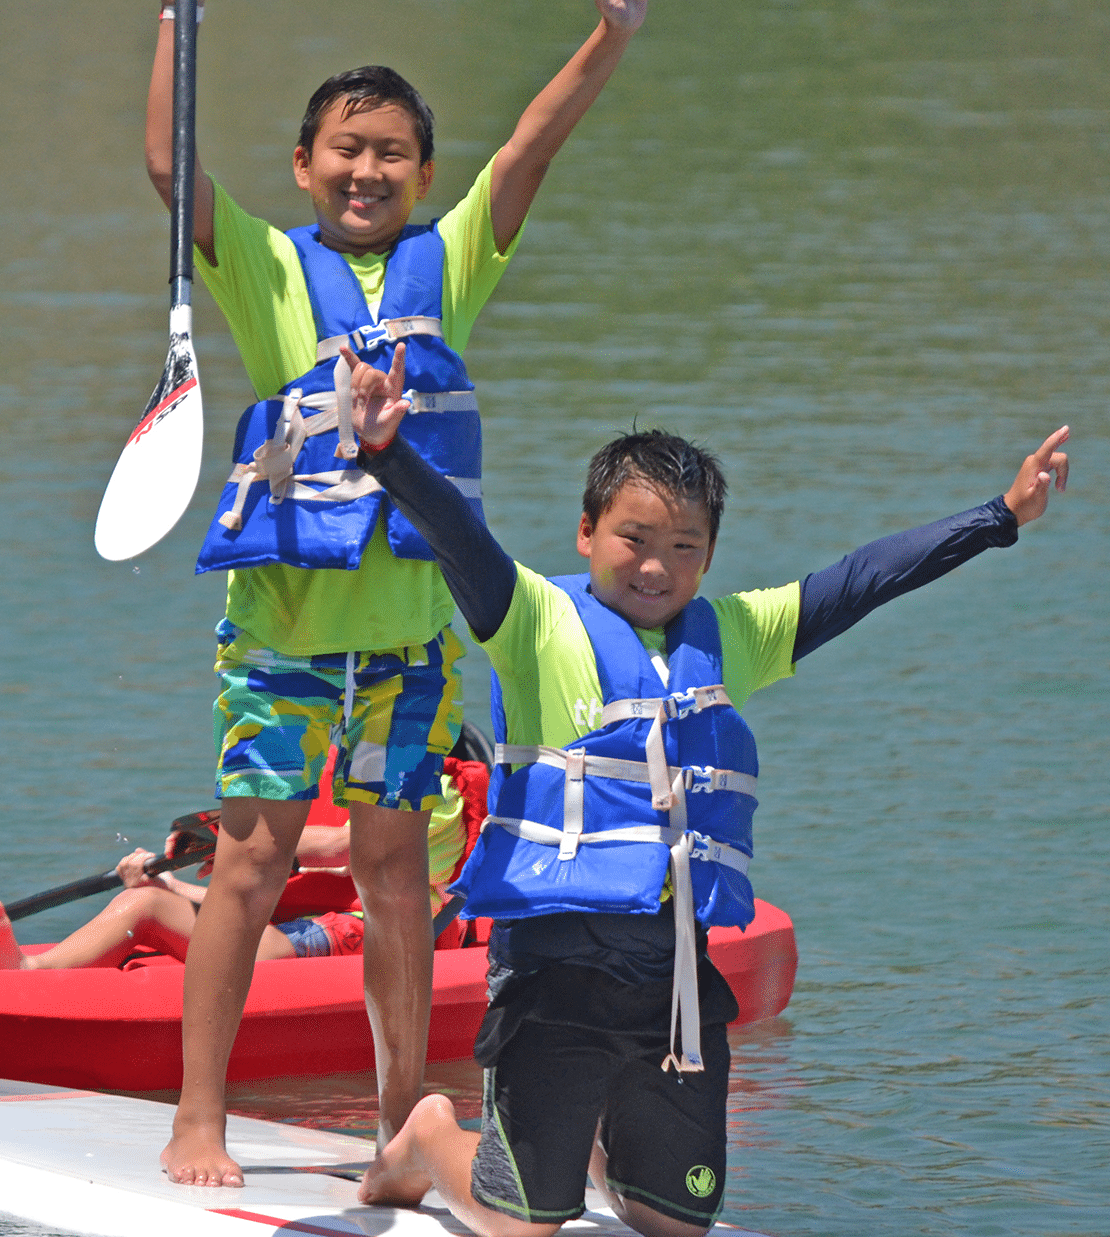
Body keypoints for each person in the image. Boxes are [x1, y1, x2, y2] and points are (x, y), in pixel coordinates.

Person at [340, 347, 1068, 1237]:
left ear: (710, 553)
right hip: (554, 966)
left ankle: (601, 1144)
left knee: (672, 1224)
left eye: (684, 547)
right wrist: (387, 454)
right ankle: (429, 1138)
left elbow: (861, 581)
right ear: (585, 532)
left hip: (670, 979)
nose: (656, 565)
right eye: (633, 540)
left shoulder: (733, 636)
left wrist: (999, 516)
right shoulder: (530, 616)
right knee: (522, 1227)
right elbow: (459, 535)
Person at [144, 0, 647, 1187]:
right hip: (282, 642)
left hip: (413, 647)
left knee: (395, 875)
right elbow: (171, 163)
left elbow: (528, 146)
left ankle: (397, 1117)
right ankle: (198, 1115)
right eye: (344, 149)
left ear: (424, 173)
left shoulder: (451, 265)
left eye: (391, 153)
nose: (366, 169)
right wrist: (176, 17)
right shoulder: (267, 266)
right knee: (251, 867)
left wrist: (610, 39)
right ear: (305, 166)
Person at [0, 749, 487, 972]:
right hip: (309, 931)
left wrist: (237, 840)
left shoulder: (436, 793)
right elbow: (245, 889)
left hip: (370, 937)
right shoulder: (345, 785)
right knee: (147, 897)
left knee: (144, 912)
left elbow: (345, 848)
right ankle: (40, 966)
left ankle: (27, 973)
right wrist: (160, 883)